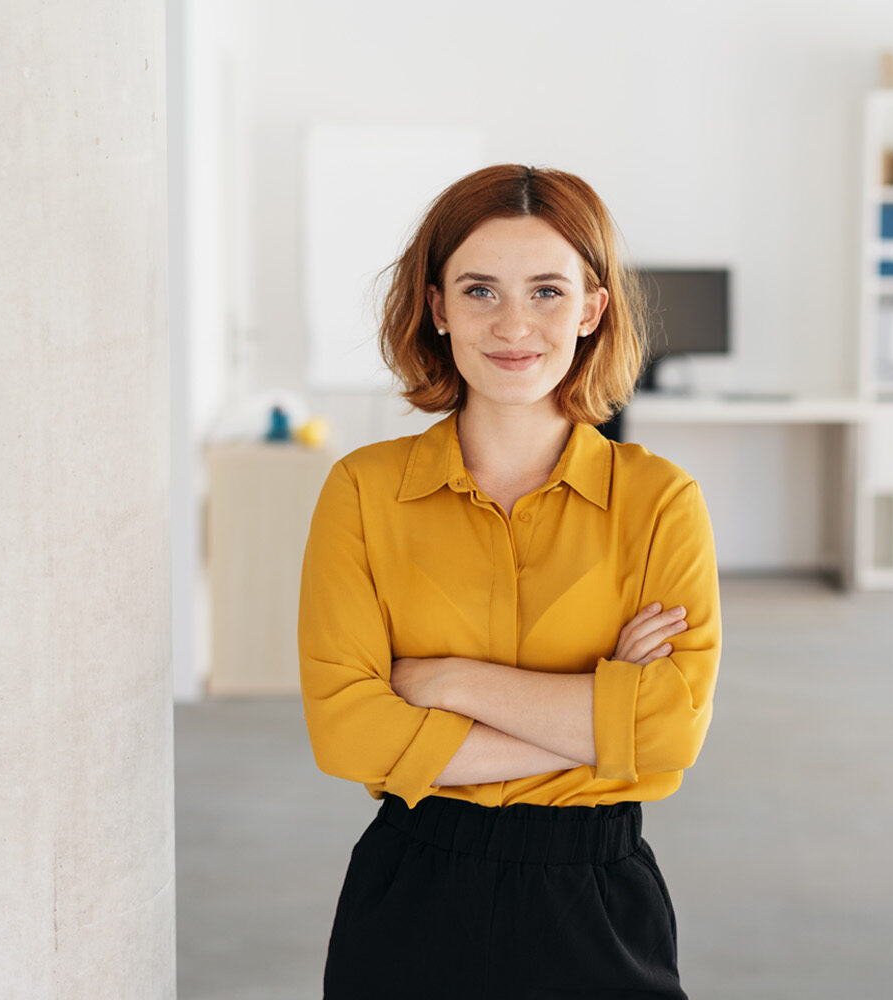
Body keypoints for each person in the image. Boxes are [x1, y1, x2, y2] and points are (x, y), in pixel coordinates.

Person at [298, 163, 722, 999]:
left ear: (593, 309)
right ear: (437, 307)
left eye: (548, 291)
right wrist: (605, 728)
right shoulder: (363, 489)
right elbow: (346, 731)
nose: (513, 325)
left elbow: (672, 734)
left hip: (596, 898)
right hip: (413, 891)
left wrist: (449, 682)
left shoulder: (660, 501)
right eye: (481, 290)